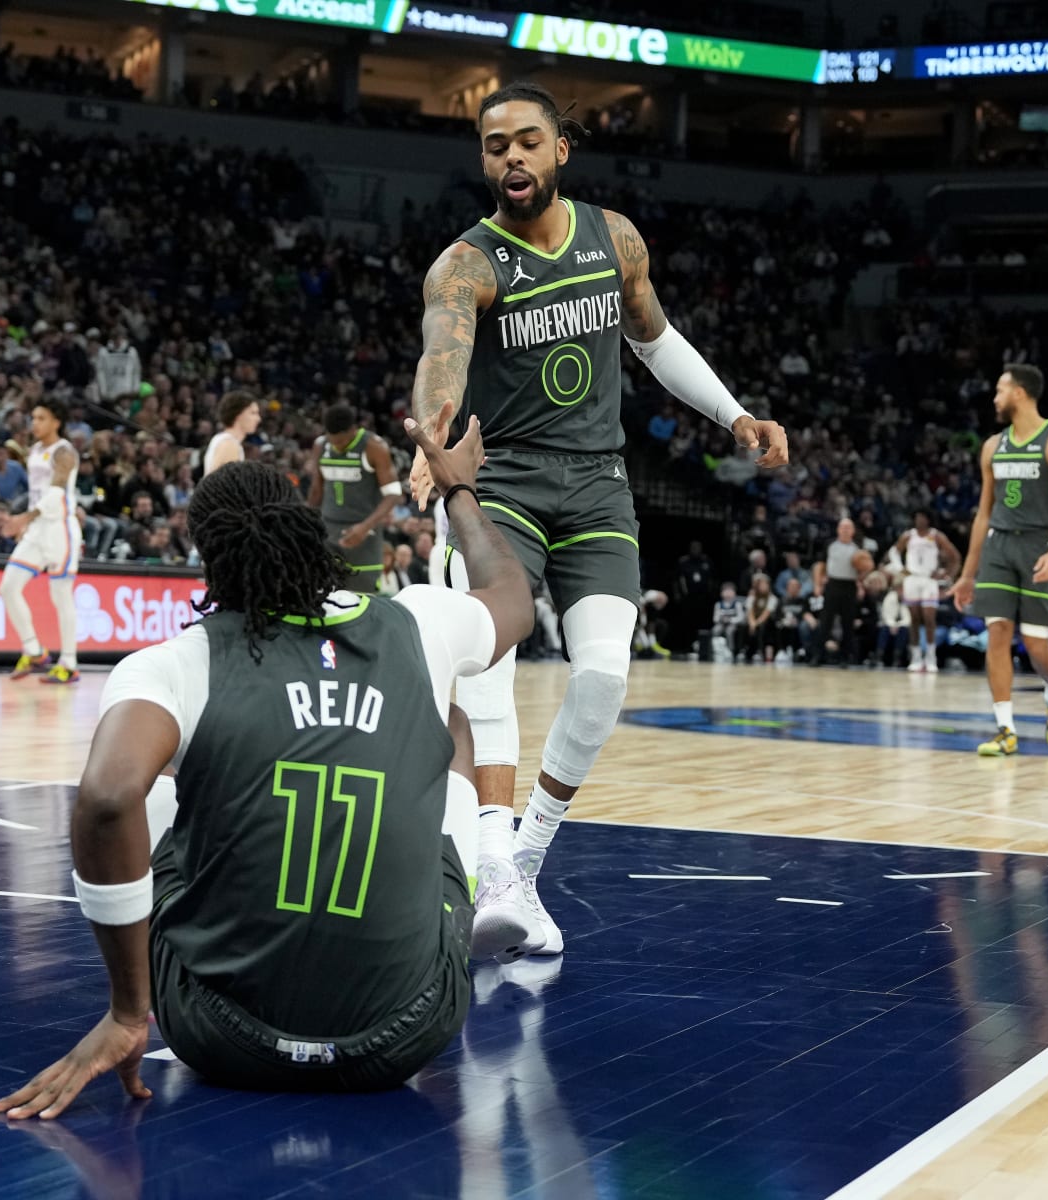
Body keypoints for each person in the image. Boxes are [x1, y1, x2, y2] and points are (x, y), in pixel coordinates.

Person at [0, 417, 534, 1115]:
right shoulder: (419, 622)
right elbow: (514, 600)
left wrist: (128, 1012)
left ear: (208, 563)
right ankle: (492, 874)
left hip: (220, 1038)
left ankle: (153, 996)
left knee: (160, 783)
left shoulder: (175, 663)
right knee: (446, 720)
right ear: (304, 528)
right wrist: (459, 491)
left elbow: (105, 799)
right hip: (408, 1034)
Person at [405, 80, 788, 957]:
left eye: (528, 141)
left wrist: (735, 416)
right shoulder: (466, 264)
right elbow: (442, 359)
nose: (512, 157)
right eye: (496, 144)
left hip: (597, 488)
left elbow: (656, 341)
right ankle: (491, 865)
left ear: (560, 150)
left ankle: (523, 866)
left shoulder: (613, 239)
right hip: (504, 485)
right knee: (488, 669)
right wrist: (435, 440)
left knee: (606, 676)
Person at [949, 364, 1048, 755]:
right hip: (999, 546)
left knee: (1036, 643)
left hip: (1040, 544)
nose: (994, 398)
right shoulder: (993, 446)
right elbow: (983, 514)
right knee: (997, 633)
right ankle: (1005, 729)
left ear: (1020, 393)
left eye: (1000, 390)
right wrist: (966, 573)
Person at [0, 402, 83, 685]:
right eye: (32, 418)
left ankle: (69, 663)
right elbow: (37, 493)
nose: (34, 423)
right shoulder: (35, 451)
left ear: (56, 422)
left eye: (41, 418)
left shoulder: (64, 451)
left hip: (60, 527)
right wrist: (27, 521)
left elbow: (57, 492)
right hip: (37, 527)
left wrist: (24, 517)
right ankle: (34, 650)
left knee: (61, 595)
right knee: (9, 586)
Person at [307, 402, 401, 593]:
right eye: (333, 441)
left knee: (363, 597)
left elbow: (393, 494)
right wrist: (306, 520)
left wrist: (365, 527)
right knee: (324, 595)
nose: (337, 446)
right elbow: (317, 490)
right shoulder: (321, 445)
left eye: (341, 442)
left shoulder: (374, 446)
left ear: (353, 430)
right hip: (328, 530)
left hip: (363, 532)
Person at [893, 509, 960, 673]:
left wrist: (947, 575)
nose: (919, 520)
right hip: (912, 579)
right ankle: (915, 657)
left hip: (929, 580)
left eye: (922, 517)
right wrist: (901, 569)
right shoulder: (909, 535)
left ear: (929, 519)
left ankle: (931, 657)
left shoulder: (936, 535)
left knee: (929, 619)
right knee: (914, 619)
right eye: (917, 517)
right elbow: (894, 552)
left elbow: (955, 556)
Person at [816, 518, 862, 666]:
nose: (845, 530)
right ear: (838, 529)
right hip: (832, 584)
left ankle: (845, 657)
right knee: (825, 622)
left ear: (853, 531)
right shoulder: (830, 544)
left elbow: (862, 570)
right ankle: (818, 655)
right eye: (843, 527)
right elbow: (821, 564)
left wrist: (860, 584)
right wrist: (818, 583)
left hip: (849, 585)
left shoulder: (858, 548)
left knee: (847, 623)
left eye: (848, 527)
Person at [202, 390, 260, 476]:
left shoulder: (227, 441)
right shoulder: (229, 444)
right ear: (238, 414)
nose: (258, 419)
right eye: (253, 413)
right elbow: (218, 486)